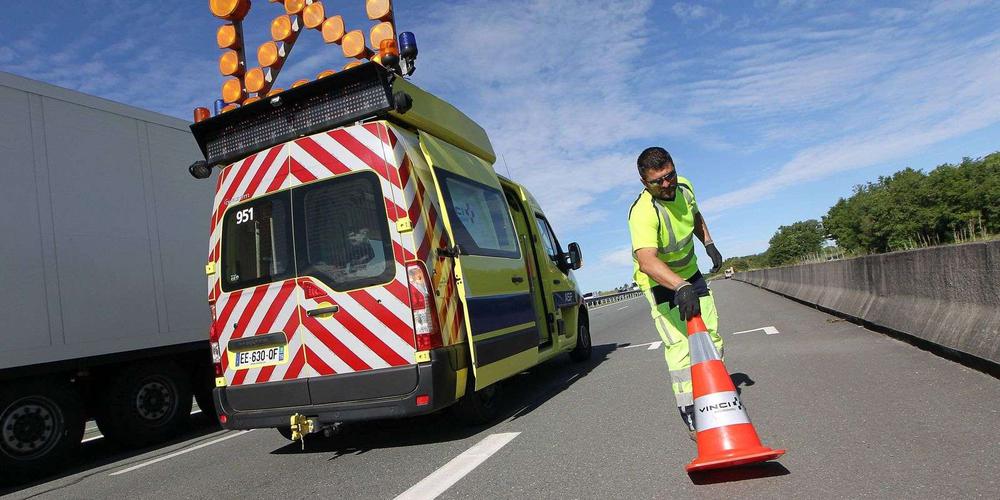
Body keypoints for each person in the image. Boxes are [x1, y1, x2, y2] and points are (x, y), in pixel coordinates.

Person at [627, 147, 725, 440]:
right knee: (681, 344)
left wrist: (708, 242)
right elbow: (647, 261)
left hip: (691, 273)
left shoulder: (685, 186)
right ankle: (691, 407)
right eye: (658, 181)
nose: (667, 184)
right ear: (645, 183)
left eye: (670, 175)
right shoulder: (642, 213)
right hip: (659, 282)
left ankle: (717, 392)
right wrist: (679, 286)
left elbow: (695, 213)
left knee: (711, 333)